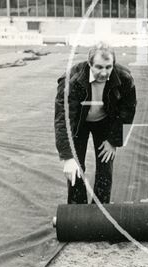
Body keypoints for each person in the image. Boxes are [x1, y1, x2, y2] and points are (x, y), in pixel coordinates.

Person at [54, 42, 137, 204]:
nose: (104, 73)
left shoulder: (125, 78)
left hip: (105, 121)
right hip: (79, 123)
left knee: (105, 169)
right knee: (76, 169)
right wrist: (67, 156)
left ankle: (100, 212)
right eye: (99, 67)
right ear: (89, 64)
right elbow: (63, 119)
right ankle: (78, 211)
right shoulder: (72, 80)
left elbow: (128, 111)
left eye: (108, 67)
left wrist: (114, 141)